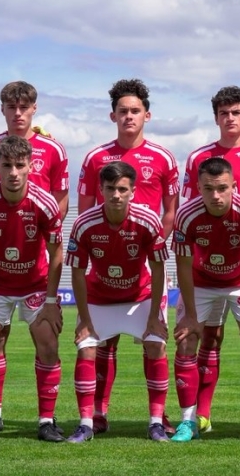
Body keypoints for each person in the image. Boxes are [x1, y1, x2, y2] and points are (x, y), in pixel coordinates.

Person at [77, 78, 179, 434]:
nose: (129, 117)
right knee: (103, 344)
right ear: (113, 115)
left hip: (146, 262)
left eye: (135, 111)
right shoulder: (95, 158)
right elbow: (86, 210)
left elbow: (170, 211)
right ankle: (99, 412)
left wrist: (147, 246)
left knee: (155, 339)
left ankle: (159, 416)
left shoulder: (163, 157)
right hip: (105, 266)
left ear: (147, 115)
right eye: (123, 111)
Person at [0, 81, 69, 433]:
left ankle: (47, 420)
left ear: (34, 108)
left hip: (34, 274)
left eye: (24, 106)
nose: (18, 113)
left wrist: (53, 296)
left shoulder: (54, 150)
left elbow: (59, 206)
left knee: (47, 341)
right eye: (11, 107)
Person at [180, 85, 240, 433]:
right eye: (223, 113)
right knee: (208, 336)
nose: (230, 118)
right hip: (206, 267)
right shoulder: (197, 159)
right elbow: (191, 214)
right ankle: (199, 415)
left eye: (236, 112)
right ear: (216, 118)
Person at [66, 161, 170, 443]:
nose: (116, 195)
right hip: (99, 298)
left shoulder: (148, 220)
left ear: (133, 191)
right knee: (87, 350)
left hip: (140, 298)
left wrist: (154, 317)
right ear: (100, 190)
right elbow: (77, 271)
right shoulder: (84, 223)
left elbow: (159, 268)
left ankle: (156, 422)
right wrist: (85, 320)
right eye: (110, 188)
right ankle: (88, 422)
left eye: (122, 189)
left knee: (155, 344)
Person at [170, 157, 240, 443]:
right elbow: (183, 265)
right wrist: (190, 314)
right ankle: (188, 421)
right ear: (198, 188)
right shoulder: (186, 215)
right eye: (208, 189)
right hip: (202, 281)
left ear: (234, 187)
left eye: (222, 188)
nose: (215, 196)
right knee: (186, 339)